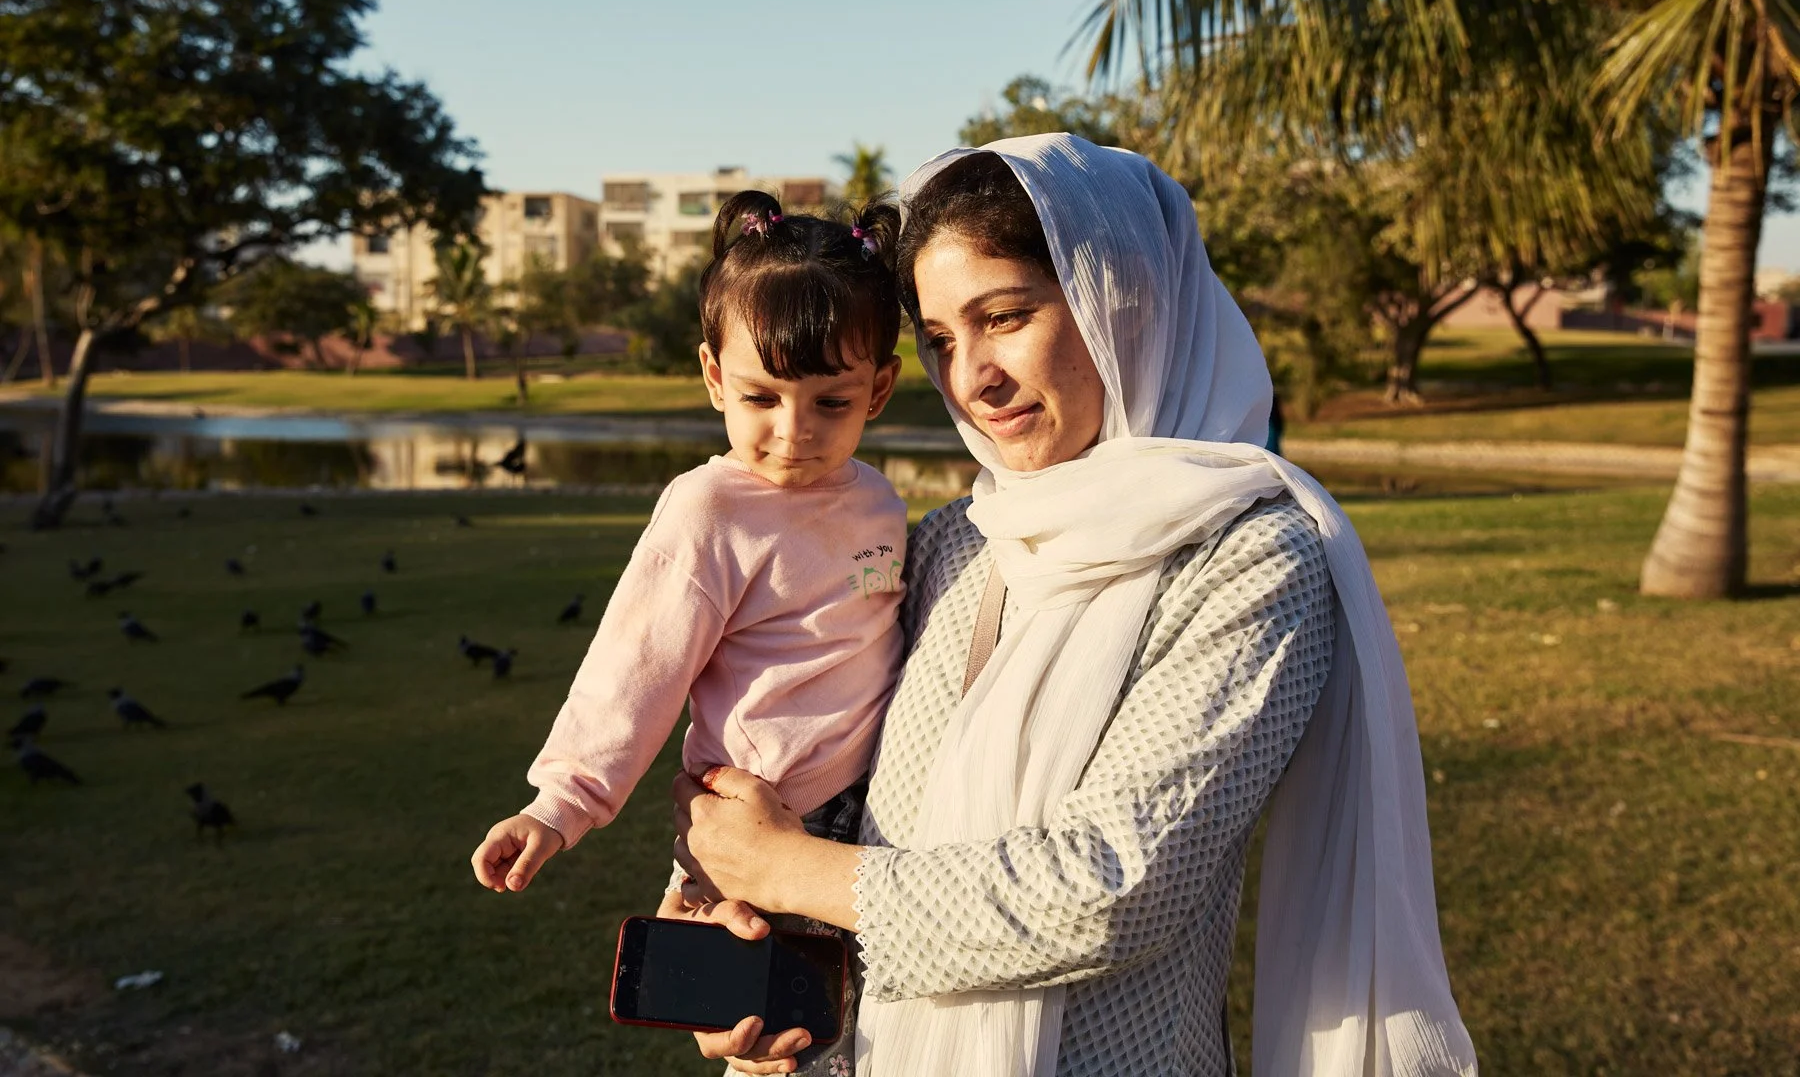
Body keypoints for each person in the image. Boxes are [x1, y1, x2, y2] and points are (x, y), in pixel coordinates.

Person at [669, 135, 1476, 1076]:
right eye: (939, 340)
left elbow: (1110, 889)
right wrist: (739, 935)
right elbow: (812, 773)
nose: (972, 379)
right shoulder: (948, 542)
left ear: (1119, 298)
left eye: (1004, 316)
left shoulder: (1252, 558)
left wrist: (787, 870)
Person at [471, 190, 910, 1071]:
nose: (794, 433)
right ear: (713, 376)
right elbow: (635, 669)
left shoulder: (880, 499)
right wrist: (559, 805)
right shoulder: (708, 509)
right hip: (757, 820)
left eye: (832, 402)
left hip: (882, 822)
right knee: (771, 1047)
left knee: (878, 1034)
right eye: (761, 397)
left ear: (882, 388)